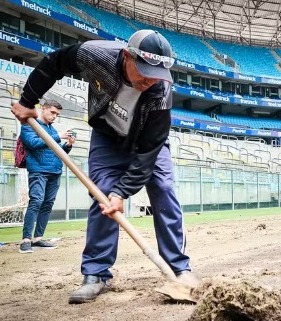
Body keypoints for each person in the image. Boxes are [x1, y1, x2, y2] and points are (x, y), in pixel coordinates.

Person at [11, 29, 198, 304]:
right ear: (127, 56)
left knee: (163, 188)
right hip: (107, 137)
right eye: (144, 70)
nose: (149, 80)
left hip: (147, 141)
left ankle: (179, 270)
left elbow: (147, 154)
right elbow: (54, 63)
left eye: (155, 74)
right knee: (102, 193)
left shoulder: (160, 92)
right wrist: (28, 101)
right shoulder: (95, 55)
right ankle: (96, 274)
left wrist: (122, 193)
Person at [18, 100, 75, 254]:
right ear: (43, 109)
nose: (54, 116)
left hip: (55, 171)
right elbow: (33, 143)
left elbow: (58, 152)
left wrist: (67, 145)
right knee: (36, 201)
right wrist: (58, 136)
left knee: (47, 204)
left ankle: (37, 238)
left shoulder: (53, 130)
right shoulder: (29, 125)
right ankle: (25, 240)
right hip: (38, 170)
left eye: (57, 114)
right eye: (52, 112)